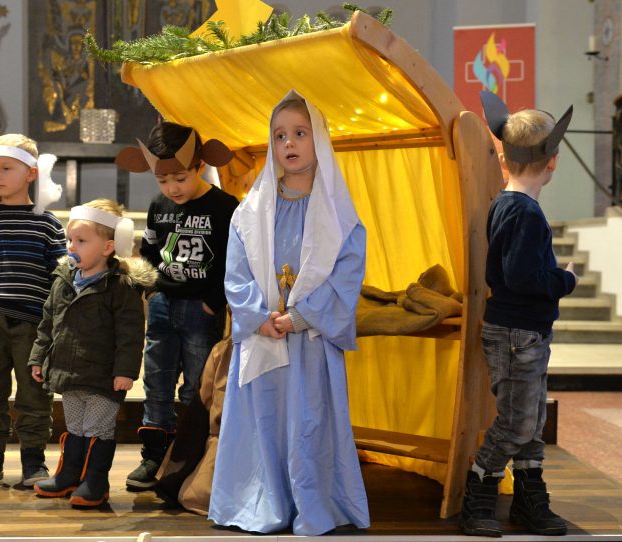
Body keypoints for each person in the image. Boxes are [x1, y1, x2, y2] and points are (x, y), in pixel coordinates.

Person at [208, 90, 370, 535]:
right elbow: (235, 272)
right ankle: (259, 502)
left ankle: (315, 504)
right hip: (263, 336)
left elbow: (347, 271)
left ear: (319, 138)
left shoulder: (339, 213)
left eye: (300, 133)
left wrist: (300, 317)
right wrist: (258, 316)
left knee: (308, 422)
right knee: (263, 422)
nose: (290, 143)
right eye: (280, 135)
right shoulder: (252, 211)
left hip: (309, 341)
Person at [459, 91, 576, 537]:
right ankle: (478, 499)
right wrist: (564, 281)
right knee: (516, 422)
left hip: (523, 332)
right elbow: (523, 277)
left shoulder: (511, 204)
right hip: (516, 333)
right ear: (552, 161)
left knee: (531, 423)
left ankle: (530, 500)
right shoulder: (523, 211)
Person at [115, 122, 238, 490]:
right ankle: (153, 456)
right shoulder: (159, 206)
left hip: (201, 309)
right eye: (164, 181)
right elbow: (150, 251)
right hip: (164, 305)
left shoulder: (224, 207)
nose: (172, 189)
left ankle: (187, 458)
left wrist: (215, 303)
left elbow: (234, 260)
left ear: (199, 166)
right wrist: (152, 292)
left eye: (180, 179)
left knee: (197, 386)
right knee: (157, 380)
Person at [29, 199, 156, 507]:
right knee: (74, 427)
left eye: (82, 241)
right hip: (69, 371)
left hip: (103, 376)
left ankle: (95, 481)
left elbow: (130, 333)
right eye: (71, 239)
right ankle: (70, 475)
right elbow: (48, 322)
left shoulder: (120, 287)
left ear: (108, 246)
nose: (73, 246)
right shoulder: (63, 280)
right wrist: (38, 356)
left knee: (96, 428)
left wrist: (125, 371)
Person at [0, 133, 66, 490]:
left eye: (6, 168)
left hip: (34, 324)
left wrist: (56, 327)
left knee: (35, 394)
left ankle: (33, 458)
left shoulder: (48, 225)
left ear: (31, 173)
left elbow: (59, 278)